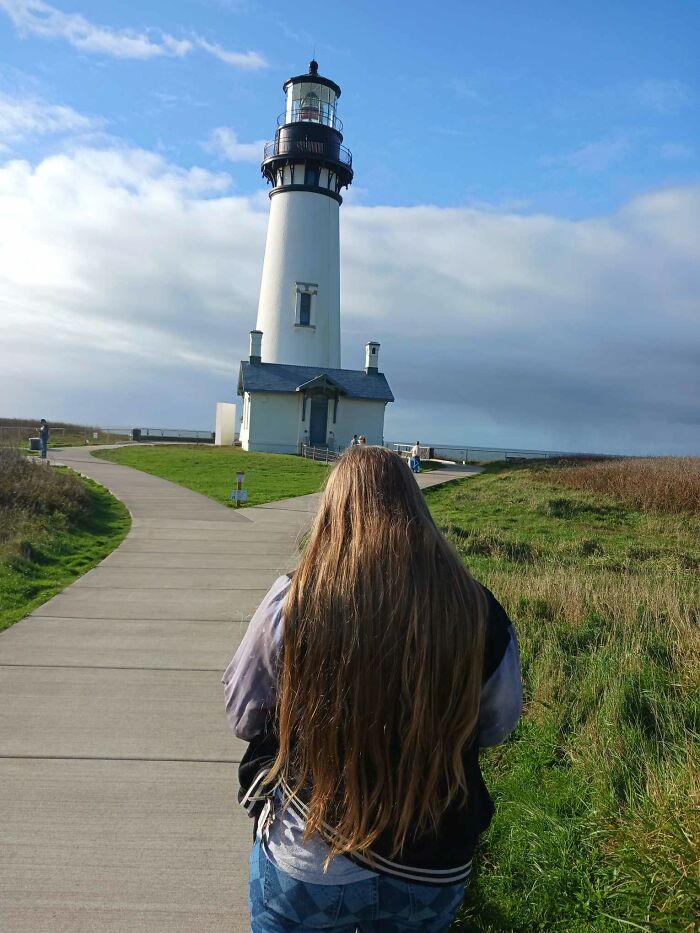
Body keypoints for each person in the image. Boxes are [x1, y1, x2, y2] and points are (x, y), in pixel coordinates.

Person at [223, 446, 522, 932]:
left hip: (309, 856)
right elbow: (496, 725)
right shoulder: (476, 609)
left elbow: (244, 715)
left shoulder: (293, 599)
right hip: (430, 864)